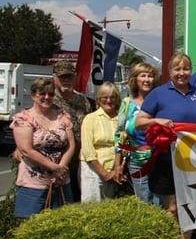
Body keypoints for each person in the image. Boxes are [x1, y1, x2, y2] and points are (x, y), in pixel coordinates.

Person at [136, 52, 196, 239]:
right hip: (166, 161)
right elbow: (139, 122)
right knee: (171, 209)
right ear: (170, 71)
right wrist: (156, 120)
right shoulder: (158, 94)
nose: (182, 73)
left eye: (186, 68)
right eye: (177, 69)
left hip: (194, 162)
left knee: (188, 208)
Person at [10, 78, 74, 218]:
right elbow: (26, 150)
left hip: (61, 180)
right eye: (42, 94)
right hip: (33, 184)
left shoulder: (62, 116)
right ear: (33, 95)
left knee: (63, 225)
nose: (47, 97)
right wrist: (54, 167)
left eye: (50, 94)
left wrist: (61, 168)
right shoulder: (24, 118)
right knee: (31, 228)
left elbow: (71, 146)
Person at [113, 62, 159, 205]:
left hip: (160, 162)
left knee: (161, 204)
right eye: (143, 75)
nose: (147, 79)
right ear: (135, 79)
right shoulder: (127, 104)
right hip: (137, 163)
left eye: (150, 76)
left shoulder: (160, 101)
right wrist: (117, 165)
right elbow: (119, 135)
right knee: (144, 203)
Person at [51, 60, 92, 202]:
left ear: (75, 78)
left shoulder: (83, 100)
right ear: (54, 78)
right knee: (57, 197)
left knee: (77, 195)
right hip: (58, 157)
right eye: (62, 77)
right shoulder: (48, 99)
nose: (66, 80)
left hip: (80, 157)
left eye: (69, 77)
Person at [80, 82, 121, 202]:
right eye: (105, 97)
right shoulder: (90, 118)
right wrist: (104, 173)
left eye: (112, 97)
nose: (109, 100)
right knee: (92, 207)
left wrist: (116, 170)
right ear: (99, 99)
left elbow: (122, 145)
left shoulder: (121, 119)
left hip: (114, 170)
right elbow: (88, 150)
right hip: (93, 169)